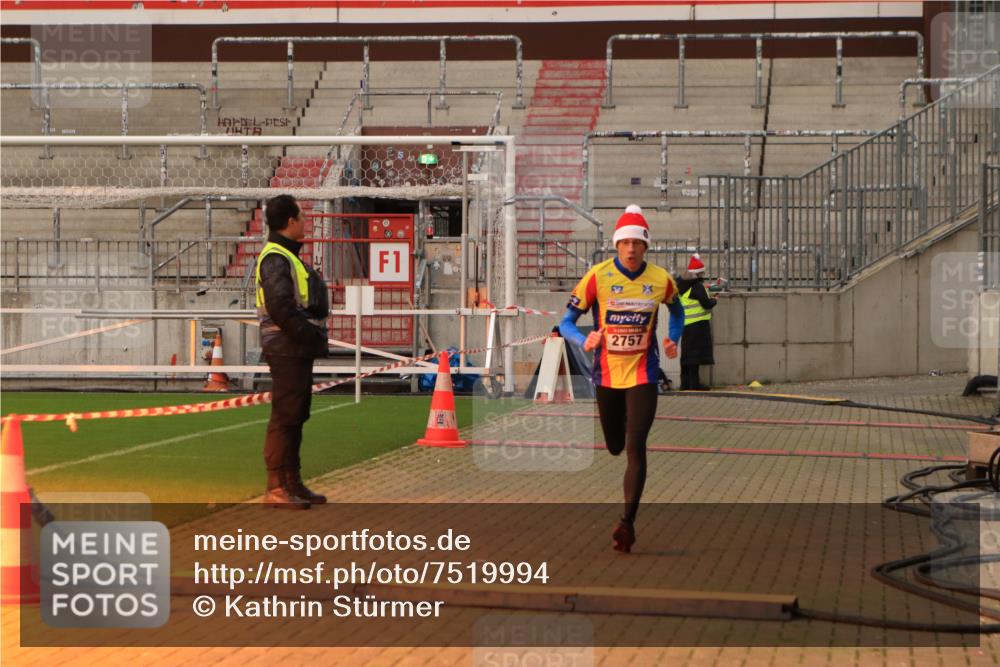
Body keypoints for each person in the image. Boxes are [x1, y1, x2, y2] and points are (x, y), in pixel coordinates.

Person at [559, 204, 684, 553]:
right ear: (616, 245)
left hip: (643, 374)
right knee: (615, 445)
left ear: (646, 246)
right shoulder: (597, 276)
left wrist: (674, 337)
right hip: (607, 376)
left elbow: (677, 311)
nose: (631, 249)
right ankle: (623, 424)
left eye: (637, 243)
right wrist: (584, 339)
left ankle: (626, 523)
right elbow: (565, 323)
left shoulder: (660, 279)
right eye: (625, 243)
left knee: (635, 445)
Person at [255, 194, 330, 509]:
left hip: (292, 346)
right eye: (302, 216)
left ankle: (291, 481)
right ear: (290, 222)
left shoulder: (284, 255)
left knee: (296, 414)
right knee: (286, 416)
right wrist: (307, 334)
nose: (306, 221)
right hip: (286, 346)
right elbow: (280, 306)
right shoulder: (276, 258)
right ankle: (277, 486)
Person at [679, 254, 717, 391]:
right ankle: (695, 384)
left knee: (686, 355)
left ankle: (685, 384)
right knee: (695, 356)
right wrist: (714, 300)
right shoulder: (697, 287)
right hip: (698, 325)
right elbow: (706, 304)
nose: (703, 275)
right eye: (702, 273)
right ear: (698, 273)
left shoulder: (683, 286)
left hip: (685, 325)